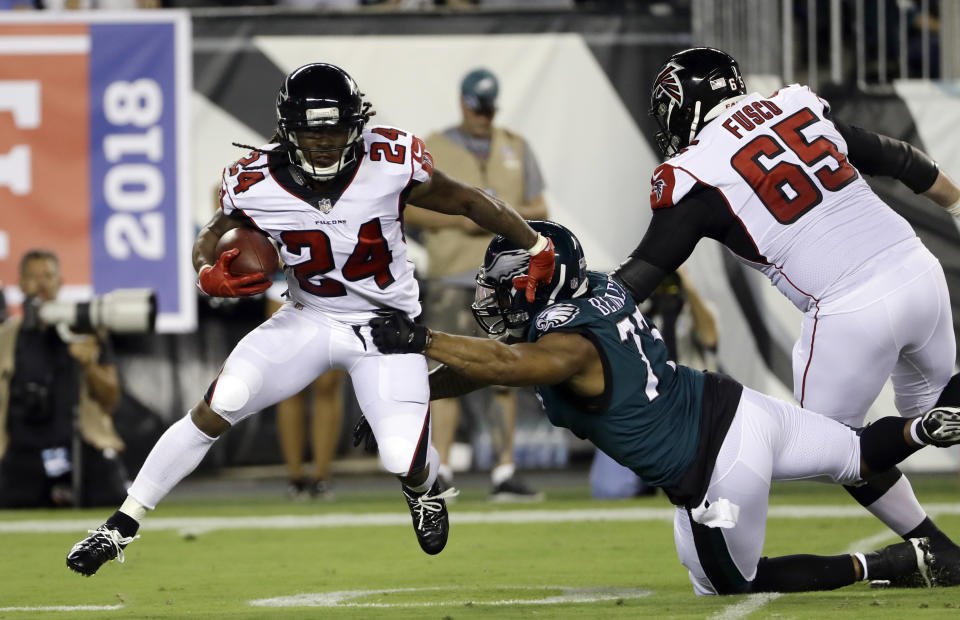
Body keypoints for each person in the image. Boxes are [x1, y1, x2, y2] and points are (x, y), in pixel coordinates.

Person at [64, 62, 556, 576]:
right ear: (288, 129)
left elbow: (471, 201)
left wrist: (536, 243)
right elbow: (210, 236)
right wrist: (206, 271)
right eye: (310, 131)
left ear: (356, 124)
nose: (323, 142)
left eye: (335, 130)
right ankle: (121, 524)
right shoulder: (254, 180)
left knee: (400, 458)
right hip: (309, 316)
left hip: (385, 326)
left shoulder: (390, 161)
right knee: (221, 401)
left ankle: (424, 488)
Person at [365, 220, 960, 595]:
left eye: (508, 280)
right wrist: (414, 394)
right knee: (856, 451)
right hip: (736, 405)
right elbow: (495, 365)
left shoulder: (563, 341)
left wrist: (423, 340)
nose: (493, 293)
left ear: (542, 280)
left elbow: (510, 366)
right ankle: (924, 426)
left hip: (715, 468)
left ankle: (884, 564)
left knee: (729, 583)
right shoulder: (594, 290)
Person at [609, 47, 960, 583]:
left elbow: (645, 270)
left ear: (686, 106)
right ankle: (935, 515)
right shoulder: (794, 108)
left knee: (836, 449)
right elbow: (898, 158)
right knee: (939, 418)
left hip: (849, 306)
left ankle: (934, 545)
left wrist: (575, 310)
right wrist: (958, 206)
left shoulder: (695, 171)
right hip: (919, 270)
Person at [405, 67, 548, 501]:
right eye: (476, 107)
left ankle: (504, 470)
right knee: (443, 372)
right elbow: (407, 208)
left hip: (503, 278)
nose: (483, 115)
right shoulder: (434, 146)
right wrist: (465, 216)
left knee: (504, 373)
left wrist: (495, 209)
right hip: (451, 274)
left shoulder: (515, 146)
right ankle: (442, 468)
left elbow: (541, 204)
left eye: (488, 108)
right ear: (463, 103)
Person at [0, 250, 127, 508]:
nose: (41, 284)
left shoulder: (85, 330)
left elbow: (111, 399)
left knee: (114, 499)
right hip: (23, 452)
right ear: (21, 284)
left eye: (48, 276)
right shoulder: (7, 337)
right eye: (33, 277)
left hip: (80, 446)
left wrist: (89, 364)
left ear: (60, 282)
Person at [590, 268, 718, 499]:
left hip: (688, 408)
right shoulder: (637, 314)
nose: (666, 288)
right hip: (645, 406)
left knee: (704, 490)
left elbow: (710, 338)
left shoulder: (697, 310)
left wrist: (688, 287)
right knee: (609, 490)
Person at [265, 289, 344, 500]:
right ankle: (296, 477)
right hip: (287, 286)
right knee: (290, 385)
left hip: (336, 286)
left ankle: (321, 476)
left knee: (328, 384)